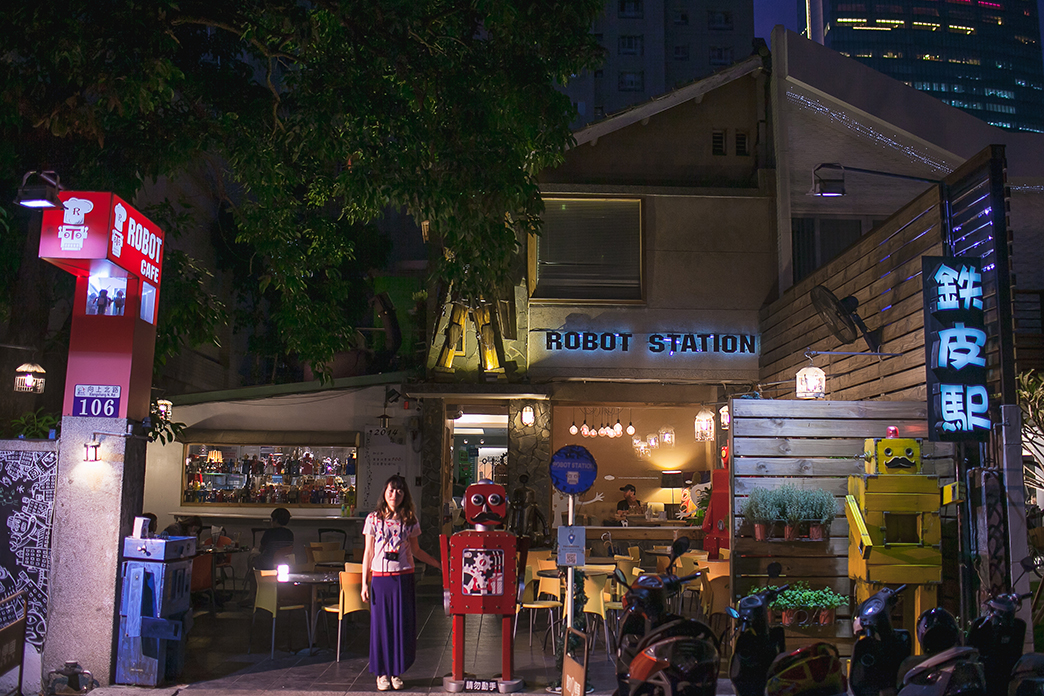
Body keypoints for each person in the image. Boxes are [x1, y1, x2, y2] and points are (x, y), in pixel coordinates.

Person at [362, 474, 442, 691]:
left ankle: (396, 672)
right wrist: (364, 583)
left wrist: (438, 564)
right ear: (384, 493)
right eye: (390, 490)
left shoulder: (409, 519)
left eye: (399, 491)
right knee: (381, 627)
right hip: (380, 579)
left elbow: (416, 550)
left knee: (400, 626)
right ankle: (381, 673)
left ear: (404, 494)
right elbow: (368, 552)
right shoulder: (373, 519)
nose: (394, 495)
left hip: (404, 578)